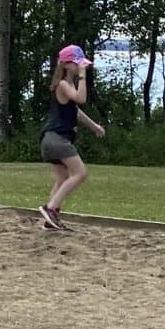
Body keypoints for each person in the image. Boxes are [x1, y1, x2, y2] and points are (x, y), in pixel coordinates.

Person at [39, 45, 105, 232]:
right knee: (81, 173)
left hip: (52, 139)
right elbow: (81, 99)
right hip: (56, 139)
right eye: (78, 64)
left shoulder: (67, 85)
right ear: (68, 65)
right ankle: (50, 209)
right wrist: (83, 76)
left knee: (62, 179)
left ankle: (50, 220)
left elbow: (75, 111)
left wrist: (95, 127)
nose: (80, 67)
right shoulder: (63, 85)